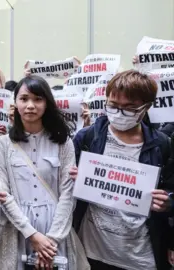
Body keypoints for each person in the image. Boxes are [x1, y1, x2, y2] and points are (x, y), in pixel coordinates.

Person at [71, 70, 173, 270]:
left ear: (146, 107)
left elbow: (171, 189)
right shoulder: (87, 138)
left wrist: (168, 201)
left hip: (141, 255)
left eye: (129, 108)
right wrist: (73, 180)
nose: (119, 113)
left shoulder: (162, 144)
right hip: (92, 251)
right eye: (113, 106)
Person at [0, 75, 89, 270]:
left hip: (56, 228)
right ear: (15, 102)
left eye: (38, 99)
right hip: (16, 228)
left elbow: (68, 194)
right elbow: (3, 194)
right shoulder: (1, 144)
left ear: (47, 103)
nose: (30, 105)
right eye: (24, 99)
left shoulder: (63, 142)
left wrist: (51, 241)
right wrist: (32, 235)